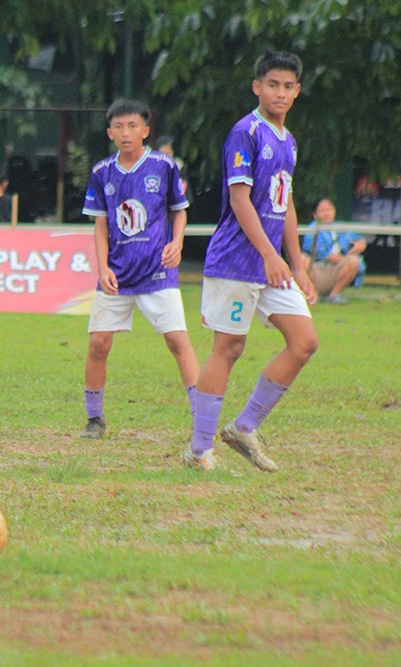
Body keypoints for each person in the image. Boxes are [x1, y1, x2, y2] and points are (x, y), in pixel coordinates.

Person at [185, 52, 318, 472]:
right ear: (257, 87)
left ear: (297, 91)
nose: (280, 92)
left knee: (304, 342)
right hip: (236, 260)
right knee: (228, 347)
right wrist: (269, 255)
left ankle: (244, 427)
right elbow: (240, 200)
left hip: (271, 264)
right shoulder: (246, 132)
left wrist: (297, 265)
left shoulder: (288, 140)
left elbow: (286, 204)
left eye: (288, 86)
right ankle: (199, 450)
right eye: (272, 84)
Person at [79, 99, 199, 439]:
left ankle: (203, 418)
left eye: (132, 126)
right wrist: (103, 267)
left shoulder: (164, 165)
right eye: (118, 127)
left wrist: (177, 243)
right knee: (98, 343)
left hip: (158, 271)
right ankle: (94, 419)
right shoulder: (102, 172)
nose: (125, 133)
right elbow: (100, 225)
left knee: (178, 340)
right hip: (117, 274)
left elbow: (179, 210)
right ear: (109, 133)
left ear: (145, 131)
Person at [301, 197, 366, 303]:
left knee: (353, 261)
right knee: (302, 259)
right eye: (322, 210)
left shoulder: (339, 226)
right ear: (315, 214)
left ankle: (334, 295)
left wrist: (360, 245)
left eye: (329, 210)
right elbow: (323, 255)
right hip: (316, 270)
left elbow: (359, 239)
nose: (327, 213)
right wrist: (345, 259)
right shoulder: (311, 230)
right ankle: (313, 294)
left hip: (334, 270)